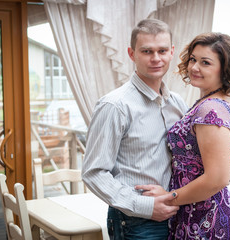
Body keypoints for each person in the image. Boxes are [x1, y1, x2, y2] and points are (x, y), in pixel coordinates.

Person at [135, 32, 230, 239]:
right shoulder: (213, 102)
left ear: (225, 69)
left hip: (206, 218)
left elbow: (217, 178)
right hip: (195, 211)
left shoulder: (211, 109)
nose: (195, 67)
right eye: (193, 59)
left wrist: (169, 198)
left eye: (205, 62)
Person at [81, 18, 189, 239]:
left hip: (179, 213)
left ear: (172, 52)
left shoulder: (177, 103)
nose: (156, 58)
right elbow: (93, 172)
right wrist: (143, 206)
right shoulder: (114, 106)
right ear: (132, 54)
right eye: (147, 51)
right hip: (136, 222)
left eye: (162, 50)